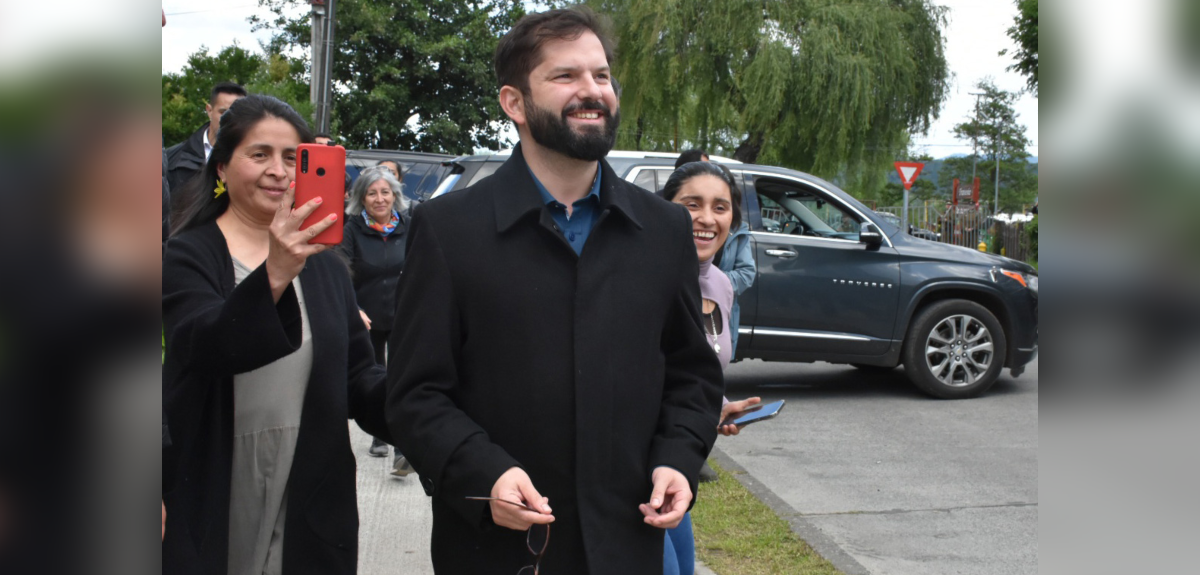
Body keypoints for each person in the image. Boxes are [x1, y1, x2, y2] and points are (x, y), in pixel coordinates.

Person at [387, 6, 724, 575]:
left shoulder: (663, 230)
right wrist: (481, 472)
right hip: (499, 553)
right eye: (565, 76)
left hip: (627, 544)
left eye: (601, 76)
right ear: (514, 103)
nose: (591, 91)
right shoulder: (448, 231)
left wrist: (677, 458)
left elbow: (691, 375)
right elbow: (415, 395)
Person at [162, 94, 391, 575]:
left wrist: (421, 392)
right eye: (259, 154)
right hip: (217, 473)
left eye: (293, 157)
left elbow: (357, 378)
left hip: (307, 476)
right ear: (221, 168)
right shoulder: (187, 254)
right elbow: (203, 347)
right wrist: (275, 271)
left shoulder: (325, 266)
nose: (279, 171)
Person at [658, 162, 762, 575]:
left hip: (677, 464)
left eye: (720, 207)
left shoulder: (721, 284)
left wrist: (715, 405)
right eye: (691, 204)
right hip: (635, 465)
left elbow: (691, 368)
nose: (706, 218)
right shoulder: (644, 279)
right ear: (664, 209)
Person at [337, 166, 414, 476]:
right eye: (372, 193)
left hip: (403, 314)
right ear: (361, 198)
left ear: (395, 195)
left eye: (385, 192)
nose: (379, 199)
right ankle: (379, 434)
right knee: (373, 376)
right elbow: (340, 270)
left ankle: (402, 447)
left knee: (401, 377)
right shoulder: (351, 229)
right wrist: (353, 307)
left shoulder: (410, 226)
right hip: (366, 317)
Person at [165, 82, 247, 193]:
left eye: (237, 114)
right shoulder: (171, 159)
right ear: (209, 111)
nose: (230, 120)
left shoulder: (257, 160)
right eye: (224, 112)